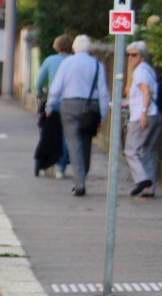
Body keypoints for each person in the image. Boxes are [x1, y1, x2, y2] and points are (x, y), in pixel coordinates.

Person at [46, 34, 110, 197]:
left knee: (73, 143)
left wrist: (50, 104)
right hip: (91, 107)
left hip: (70, 105)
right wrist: (103, 114)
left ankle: (79, 183)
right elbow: (103, 91)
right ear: (89, 48)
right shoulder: (97, 65)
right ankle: (82, 174)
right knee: (86, 141)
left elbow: (56, 86)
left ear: (74, 48)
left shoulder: (67, 63)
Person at [123, 41, 162, 198]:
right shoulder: (148, 70)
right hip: (155, 114)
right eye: (129, 55)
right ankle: (149, 188)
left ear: (143, 56)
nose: (130, 58)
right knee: (148, 151)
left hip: (142, 116)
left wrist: (143, 113)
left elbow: (146, 92)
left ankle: (142, 180)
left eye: (134, 55)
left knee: (130, 150)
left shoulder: (140, 72)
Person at [33, 34, 72, 177]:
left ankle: (49, 160)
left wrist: (39, 93)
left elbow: (39, 82)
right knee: (67, 135)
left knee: (49, 133)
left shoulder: (50, 60)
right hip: (70, 102)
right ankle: (61, 167)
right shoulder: (74, 61)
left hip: (53, 103)